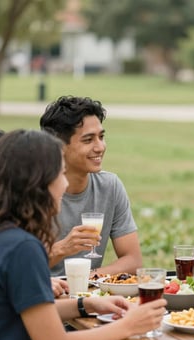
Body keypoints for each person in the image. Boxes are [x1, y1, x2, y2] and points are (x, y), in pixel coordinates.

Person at [0, 129, 166, 340]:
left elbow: (29, 310)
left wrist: (85, 304)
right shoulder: (23, 249)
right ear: (39, 183)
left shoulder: (6, 237)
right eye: (60, 174)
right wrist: (129, 324)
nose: (65, 185)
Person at [39, 96, 142, 289]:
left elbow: (133, 260)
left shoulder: (109, 186)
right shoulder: (30, 192)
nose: (100, 147)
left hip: (89, 298)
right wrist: (62, 249)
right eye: (88, 139)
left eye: (101, 137)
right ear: (59, 147)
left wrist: (87, 278)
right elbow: (16, 268)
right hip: (40, 298)